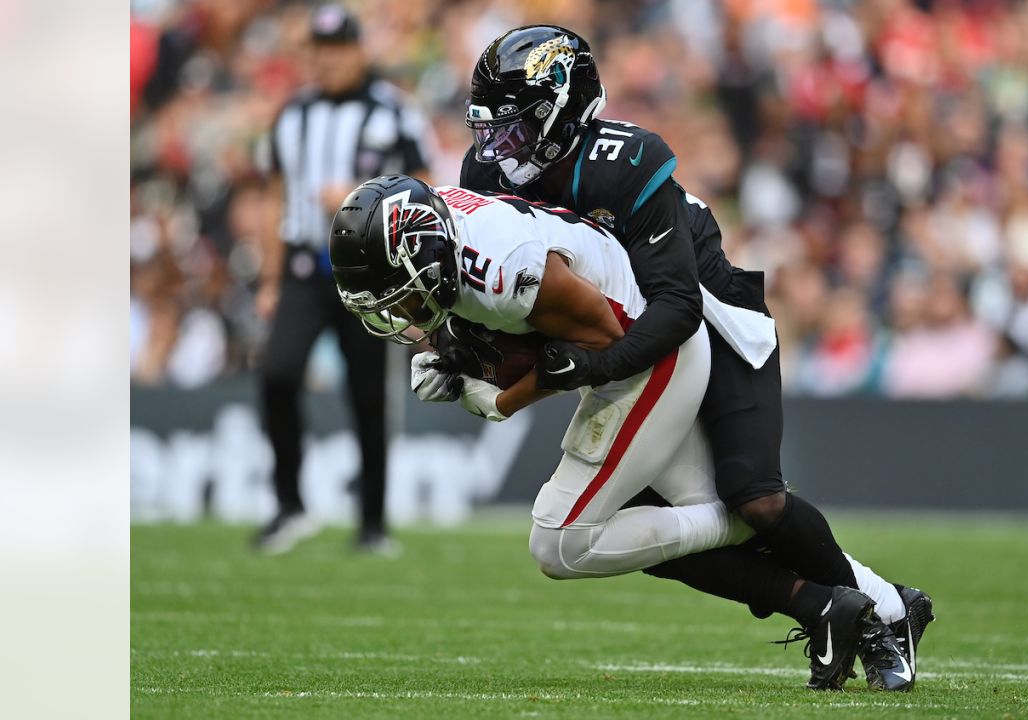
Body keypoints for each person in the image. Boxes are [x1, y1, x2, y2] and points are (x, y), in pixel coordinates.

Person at [459, 25, 932, 690]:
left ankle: (886, 614)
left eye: (518, 126)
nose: (500, 150)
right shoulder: (486, 172)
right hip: (636, 339)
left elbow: (676, 305)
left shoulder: (623, 161)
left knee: (756, 499)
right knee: (650, 523)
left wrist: (589, 368)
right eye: (493, 129)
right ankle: (839, 605)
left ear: (567, 107)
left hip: (709, 313)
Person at [328, 175, 883, 689]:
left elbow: (599, 344)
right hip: (629, 354)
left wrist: (491, 398)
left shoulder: (505, 272)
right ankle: (855, 606)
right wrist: (454, 348)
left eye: (399, 292)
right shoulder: (446, 230)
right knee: (664, 534)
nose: (398, 311)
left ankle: (743, 527)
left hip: (646, 357)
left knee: (560, 541)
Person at [252, 4, 433, 554]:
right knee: (277, 375)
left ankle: (372, 524)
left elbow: (423, 188)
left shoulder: (393, 112)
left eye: (338, 49)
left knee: (367, 398)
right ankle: (289, 507)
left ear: (358, 51)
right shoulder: (292, 115)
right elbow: (273, 198)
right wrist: (269, 279)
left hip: (371, 272)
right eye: (319, 50)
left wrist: (360, 196)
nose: (328, 61)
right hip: (306, 267)